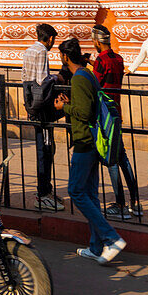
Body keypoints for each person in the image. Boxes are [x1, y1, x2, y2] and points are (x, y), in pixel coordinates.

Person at [54, 37, 126, 264]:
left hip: (85, 142)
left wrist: (63, 106)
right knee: (91, 194)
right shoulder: (88, 74)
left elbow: (84, 113)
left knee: (76, 191)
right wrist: (71, 103)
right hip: (93, 142)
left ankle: (111, 238)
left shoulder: (78, 78)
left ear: (64, 57)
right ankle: (96, 247)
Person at [91, 26, 142, 220]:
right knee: (123, 157)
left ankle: (119, 204)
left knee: (111, 159)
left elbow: (96, 83)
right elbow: (113, 75)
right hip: (117, 110)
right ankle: (135, 202)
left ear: (97, 42)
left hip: (104, 115)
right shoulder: (118, 59)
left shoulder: (100, 61)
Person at [21, 23, 63, 212]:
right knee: (45, 150)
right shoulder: (42, 53)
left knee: (45, 149)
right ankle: (43, 193)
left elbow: (27, 78)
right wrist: (55, 78)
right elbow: (42, 81)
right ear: (51, 38)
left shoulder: (29, 50)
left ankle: (46, 190)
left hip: (32, 104)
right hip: (42, 109)